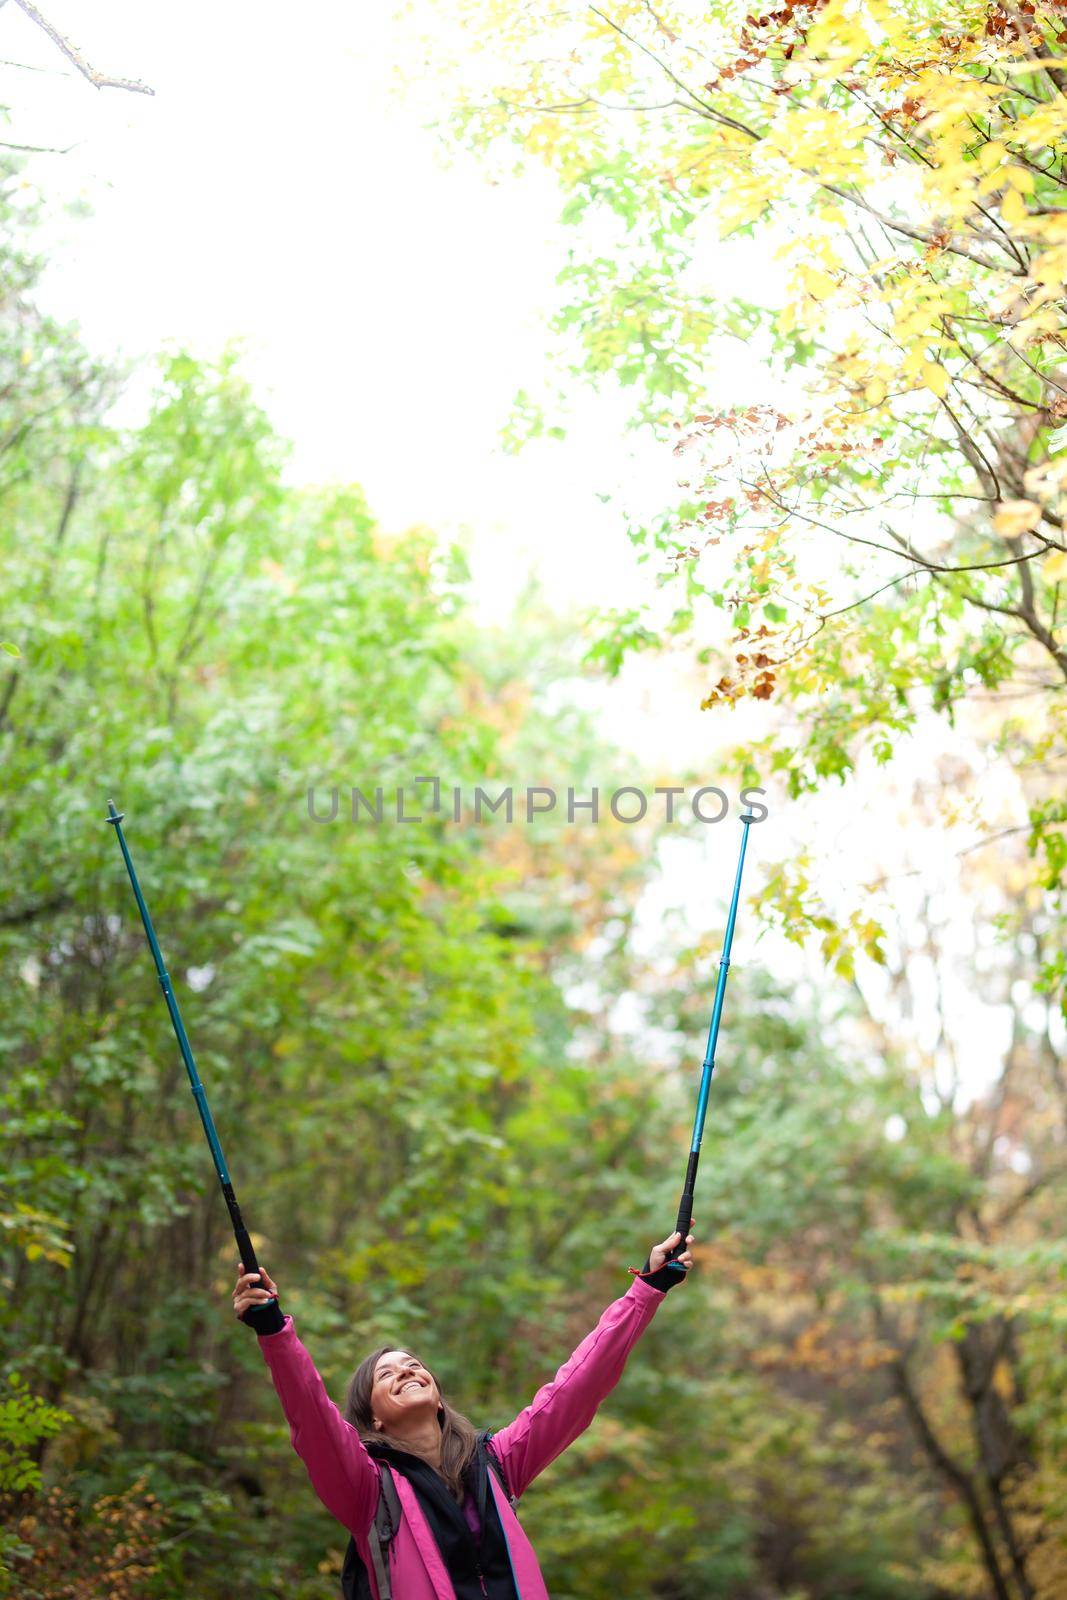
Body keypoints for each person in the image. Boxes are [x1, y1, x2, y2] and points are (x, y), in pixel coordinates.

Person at [232, 1226, 695, 1600]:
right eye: (386, 1374)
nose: (407, 1371)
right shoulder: (368, 1491)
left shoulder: (497, 1463)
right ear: (372, 1419)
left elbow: (578, 1385)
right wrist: (273, 1329)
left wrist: (647, 1288)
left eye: (413, 1365)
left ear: (437, 1396)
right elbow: (311, 1417)